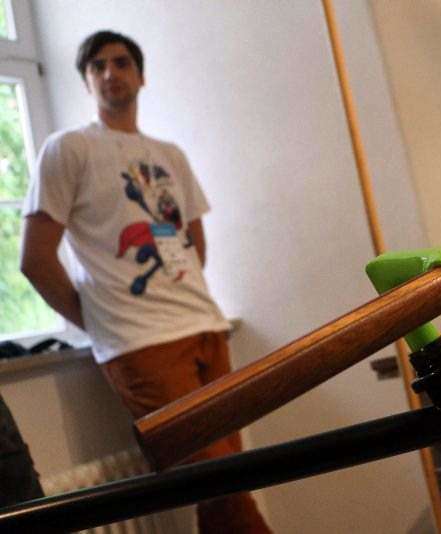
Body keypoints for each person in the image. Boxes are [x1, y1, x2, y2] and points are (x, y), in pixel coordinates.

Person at [20, 30, 271, 533]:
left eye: (121, 62)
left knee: (223, 487)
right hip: (140, 342)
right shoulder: (68, 148)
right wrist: (99, 321)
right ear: (87, 81)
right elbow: (36, 259)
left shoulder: (170, 154)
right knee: (223, 481)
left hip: (206, 327)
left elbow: (194, 244)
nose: (109, 73)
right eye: (97, 66)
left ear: (141, 76)